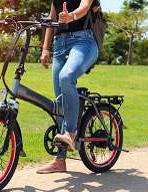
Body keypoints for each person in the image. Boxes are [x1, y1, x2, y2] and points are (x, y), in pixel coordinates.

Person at [37, 0, 99, 174]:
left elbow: (84, 7)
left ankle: (70, 133)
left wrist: (70, 17)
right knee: (60, 104)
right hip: (59, 45)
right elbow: (52, 18)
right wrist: (45, 48)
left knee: (66, 76)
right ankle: (60, 161)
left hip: (84, 42)